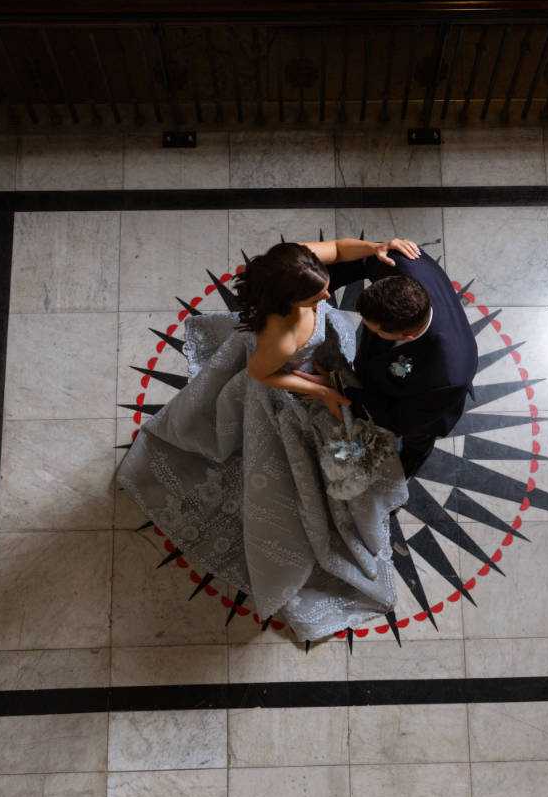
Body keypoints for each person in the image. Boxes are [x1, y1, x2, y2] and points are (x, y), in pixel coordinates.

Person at [115, 237, 415, 642]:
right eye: (317, 294)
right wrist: (321, 391)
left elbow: (341, 249)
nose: (329, 293)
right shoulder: (281, 337)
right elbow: (261, 375)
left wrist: (376, 247)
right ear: (289, 300)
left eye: (324, 286)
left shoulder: (299, 265)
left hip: (313, 363)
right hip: (289, 393)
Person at [310, 239, 478, 477]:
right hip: (383, 368)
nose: (366, 330)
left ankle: (404, 472)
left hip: (424, 410)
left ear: (407, 335)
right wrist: (315, 293)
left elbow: (397, 420)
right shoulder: (400, 263)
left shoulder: (448, 374)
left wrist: (342, 390)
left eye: (376, 330)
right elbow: (363, 261)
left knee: (416, 442)